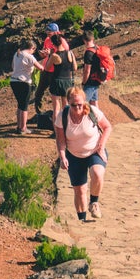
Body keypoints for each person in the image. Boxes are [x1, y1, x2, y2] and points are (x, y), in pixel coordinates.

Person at [54, 86, 110, 222]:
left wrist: (101, 146)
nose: (77, 108)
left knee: (97, 173)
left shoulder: (92, 112)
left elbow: (107, 127)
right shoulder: (62, 116)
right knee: (79, 190)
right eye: (74, 105)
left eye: (80, 104)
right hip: (74, 155)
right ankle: (82, 220)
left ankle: (94, 202)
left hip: (94, 151)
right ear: (68, 102)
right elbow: (60, 140)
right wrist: (62, 157)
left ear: (84, 102)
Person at [9, 35, 40, 135]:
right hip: (24, 82)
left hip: (14, 81)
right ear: (32, 48)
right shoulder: (29, 56)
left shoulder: (17, 54)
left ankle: (19, 126)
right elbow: (41, 68)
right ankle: (23, 128)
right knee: (25, 106)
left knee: (20, 105)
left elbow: (13, 67)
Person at [80, 30, 114, 105]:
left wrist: (83, 82)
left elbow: (87, 70)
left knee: (82, 103)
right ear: (92, 39)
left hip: (90, 82)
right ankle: (97, 117)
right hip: (97, 79)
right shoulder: (97, 49)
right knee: (94, 103)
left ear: (84, 40)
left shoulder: (88, 53)